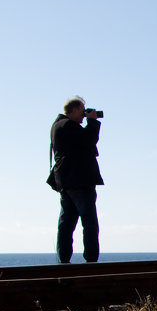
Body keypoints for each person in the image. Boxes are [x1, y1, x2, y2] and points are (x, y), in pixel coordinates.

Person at [50, 96, 104, 263]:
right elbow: (89, 139)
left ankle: (64, 259)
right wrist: (93, 122)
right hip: (80, 180)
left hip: (66, 181)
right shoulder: (68, 126)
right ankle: (91, 258)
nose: (84, 116)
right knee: (89, 222)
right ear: (73, 110)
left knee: (66, 223)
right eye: (82, 111)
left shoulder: (58, 125)